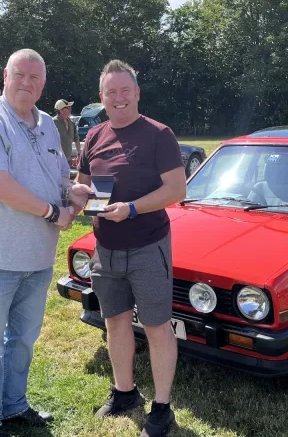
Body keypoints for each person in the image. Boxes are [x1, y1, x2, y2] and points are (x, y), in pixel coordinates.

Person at [0, 48, 91, 437]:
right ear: (5, 75)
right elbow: (0, 186)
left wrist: (73, 190)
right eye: (20, 75)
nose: (27, 83)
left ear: (43, 85)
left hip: (38, 257)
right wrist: (53, 213)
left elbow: (57, 173)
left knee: (22, 339)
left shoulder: (49, 124)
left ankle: (15, 405)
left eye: (35, 78)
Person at [76, 59, 186, 437]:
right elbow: (84, 185)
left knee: (156, 327)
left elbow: (176, 189)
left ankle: (162, 408)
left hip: (148, 247)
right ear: (101, 97)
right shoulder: (94, 136)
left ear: (137, 93)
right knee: (115, 321)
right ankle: (125, 393)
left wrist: (133, 208)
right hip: (105, 249)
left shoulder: (159, 134)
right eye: (111, 92)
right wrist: (75, 199)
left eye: (125, 91)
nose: (118, 98)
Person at [53, 99, 80, 165]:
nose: (70, 110)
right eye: (68, 108)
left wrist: (79, 154)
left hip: (68, 161)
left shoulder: (71, 123)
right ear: (61, 110)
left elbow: (76, 139)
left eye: (70, 108)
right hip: (55, 161)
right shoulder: (52, 123)